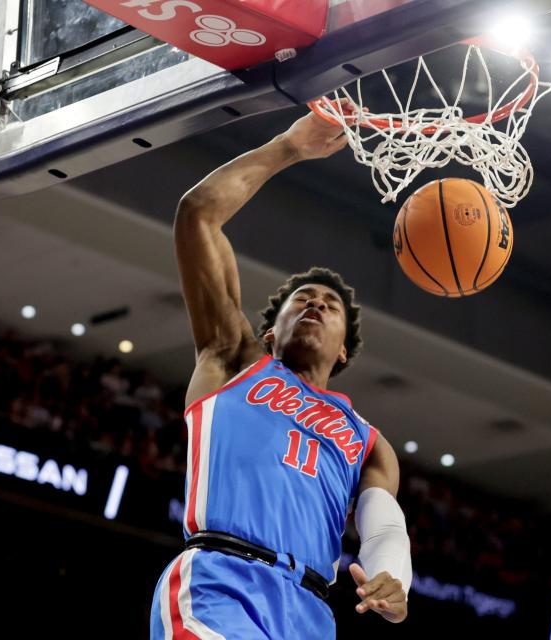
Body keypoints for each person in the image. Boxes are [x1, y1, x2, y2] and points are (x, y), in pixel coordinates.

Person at [150, 102, 411, 639]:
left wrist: (393, 579)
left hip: (311, 613)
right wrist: (289, 147)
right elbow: (197, 214)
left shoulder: (368, 443)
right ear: (270, 334)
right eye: (302, 299)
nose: (315, 305)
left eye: (329, 305)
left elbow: (383, 524)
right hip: (222, 583)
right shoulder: (233, 359)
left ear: (343, 350)